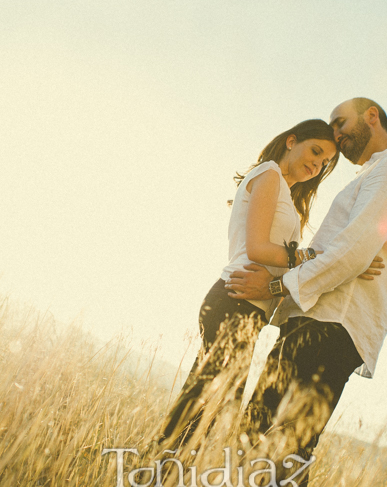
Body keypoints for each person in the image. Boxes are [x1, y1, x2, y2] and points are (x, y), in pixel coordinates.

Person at [226, 97, 387, 487]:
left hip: (333, 326)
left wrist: (275, 285)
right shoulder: (377, 174)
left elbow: (355, 250)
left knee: (286, 447)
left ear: (371, 116)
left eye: (341, 123)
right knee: (258, 438)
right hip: (316, 320)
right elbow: (347, 250)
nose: (335, 134)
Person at [157, 119, 371, 449]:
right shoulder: (269, 173)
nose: (317, 164)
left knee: (203, 408)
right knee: (200, 411)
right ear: (291, 141)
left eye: (325, 162)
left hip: (245, 307)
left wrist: (346, 263)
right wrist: (321, 256)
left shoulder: (280, 187)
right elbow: (257, 249)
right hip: (235, 301)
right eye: (315, 151)